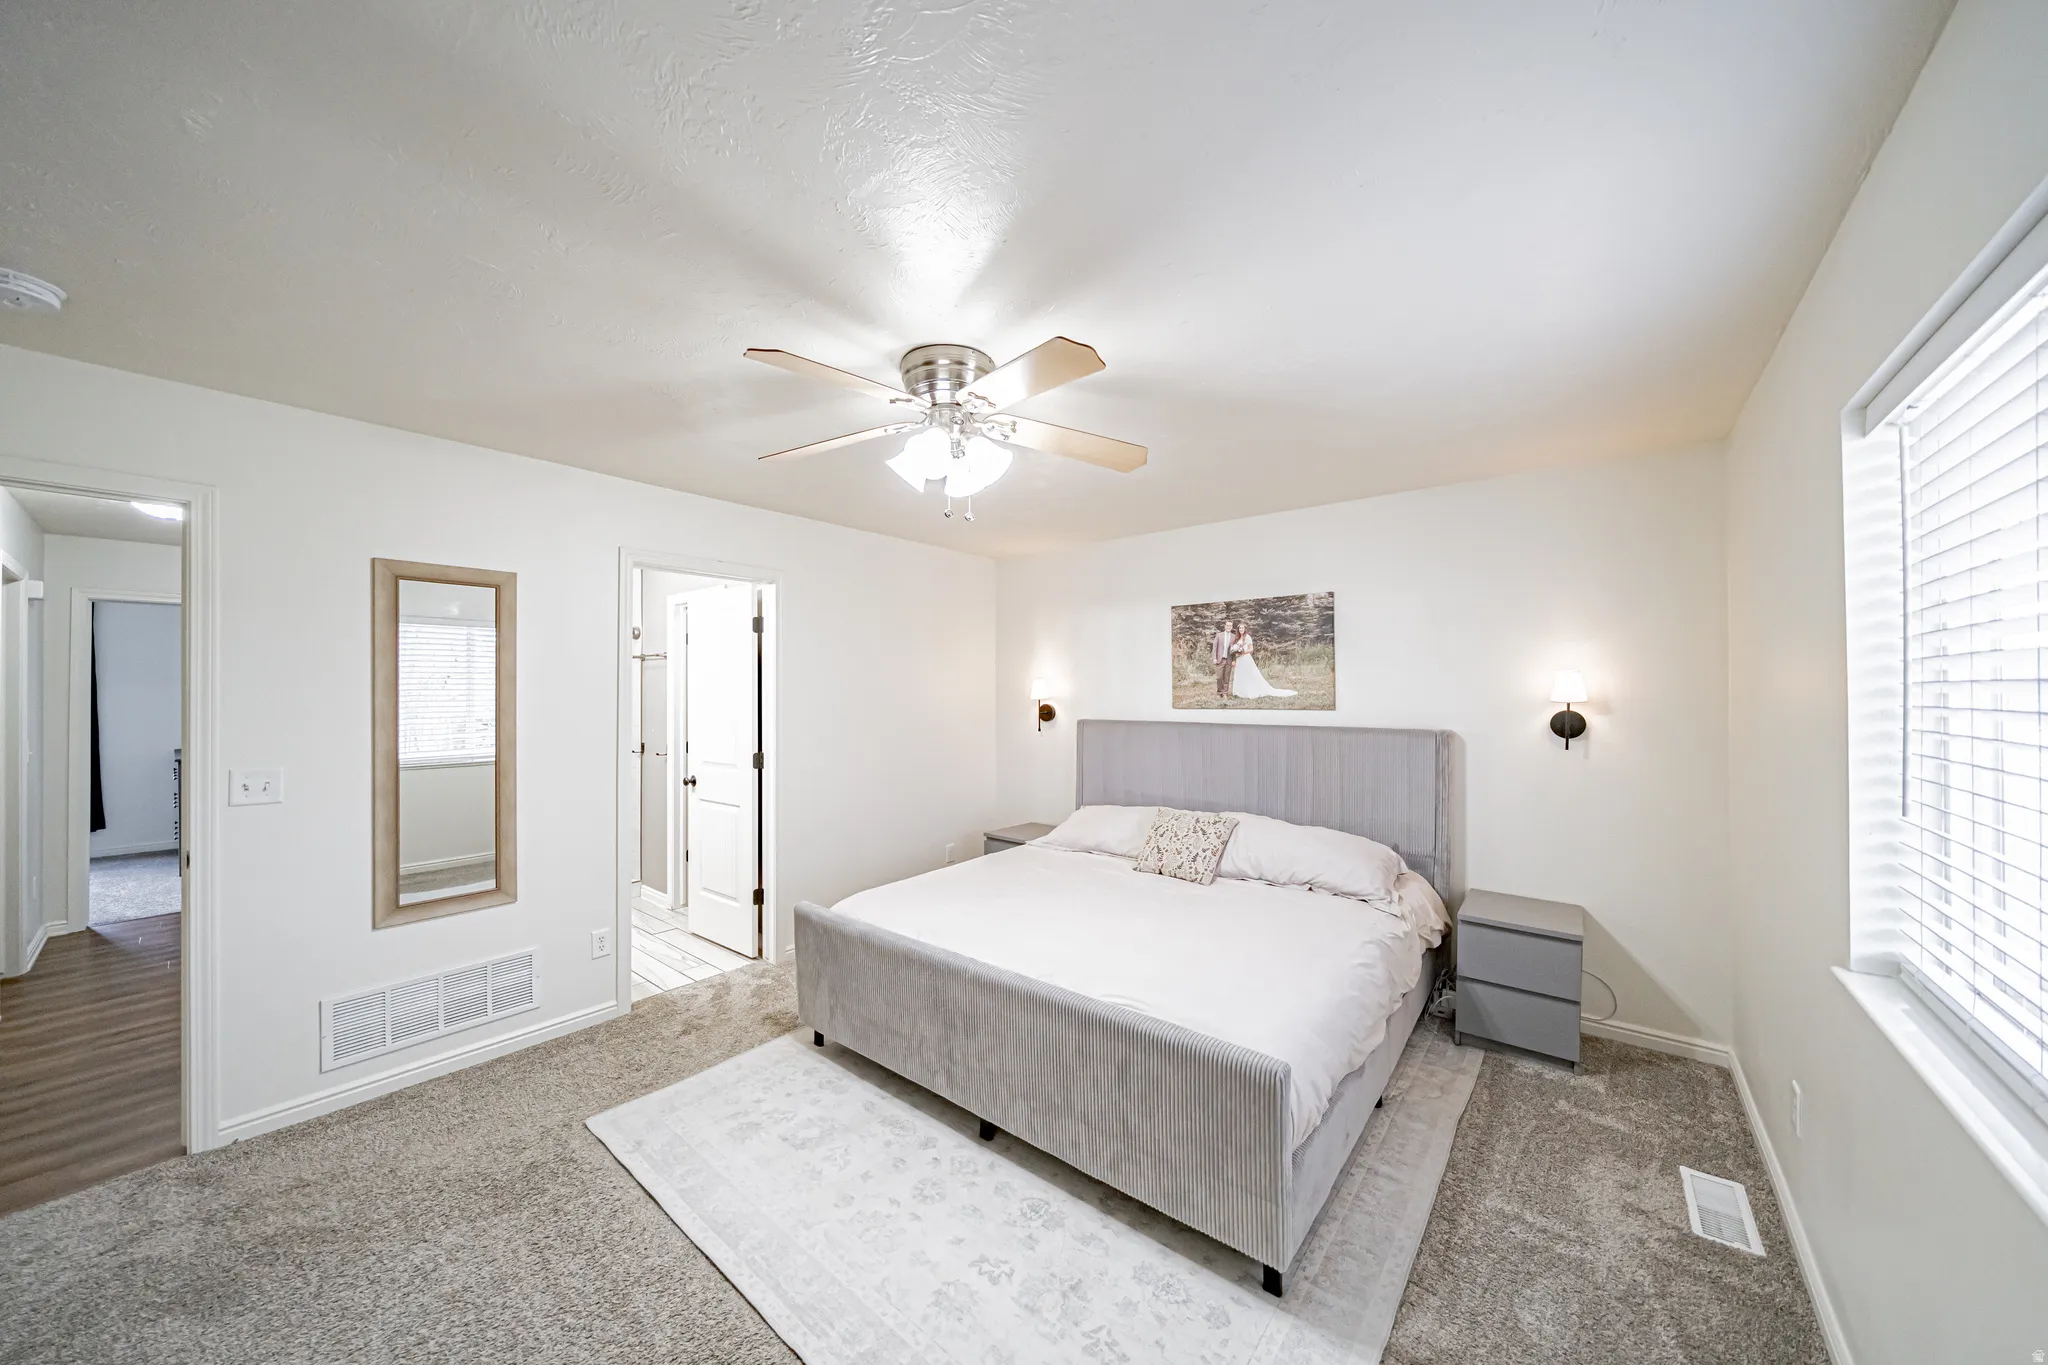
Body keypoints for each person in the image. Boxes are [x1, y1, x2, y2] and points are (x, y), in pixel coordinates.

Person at [1231, 625, 1297, 699]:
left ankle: (1249, 691)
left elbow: (1251, 649)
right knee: (1241, 674)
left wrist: (1243, 652)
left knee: (1248, 674)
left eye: (1242, 628)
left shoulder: (1247, 637)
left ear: (1245, 629)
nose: (1241, 629)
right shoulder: (1237, 638)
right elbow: (1235, 649)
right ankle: (1240, 691)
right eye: (1240, 628)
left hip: (1246, 658)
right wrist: (1235, 652)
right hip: (1239, 660)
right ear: (1238, 629)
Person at [1211, 619, 1237, 698]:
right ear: (1225, 626)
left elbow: (1235, 650)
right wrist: (1214, 658)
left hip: (1228, 660)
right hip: (1220, 659)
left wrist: (1234, 660)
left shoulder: (1234, 637)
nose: (1229, 627)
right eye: (1227, 625)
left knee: (1226, 677)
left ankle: (1225, 692)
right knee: (1219, 677)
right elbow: (1214, 647)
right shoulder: (1219, 635)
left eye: (1230, 626)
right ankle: (1219, 692)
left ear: (1232, 627)